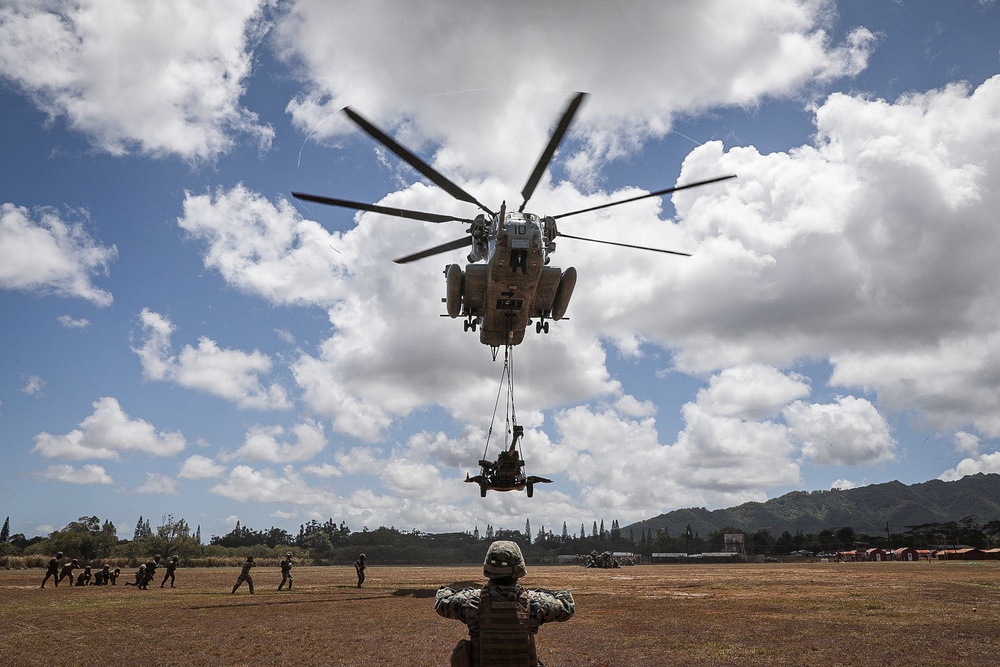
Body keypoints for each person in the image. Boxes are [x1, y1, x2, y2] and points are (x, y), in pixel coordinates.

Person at [435, 540, 575, 667]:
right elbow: (566, 608)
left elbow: (442, 602)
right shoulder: (534, 602)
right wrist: (549, 593)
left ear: (488, 568)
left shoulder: (472, 601)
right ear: (519, 569)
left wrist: (448, 590)